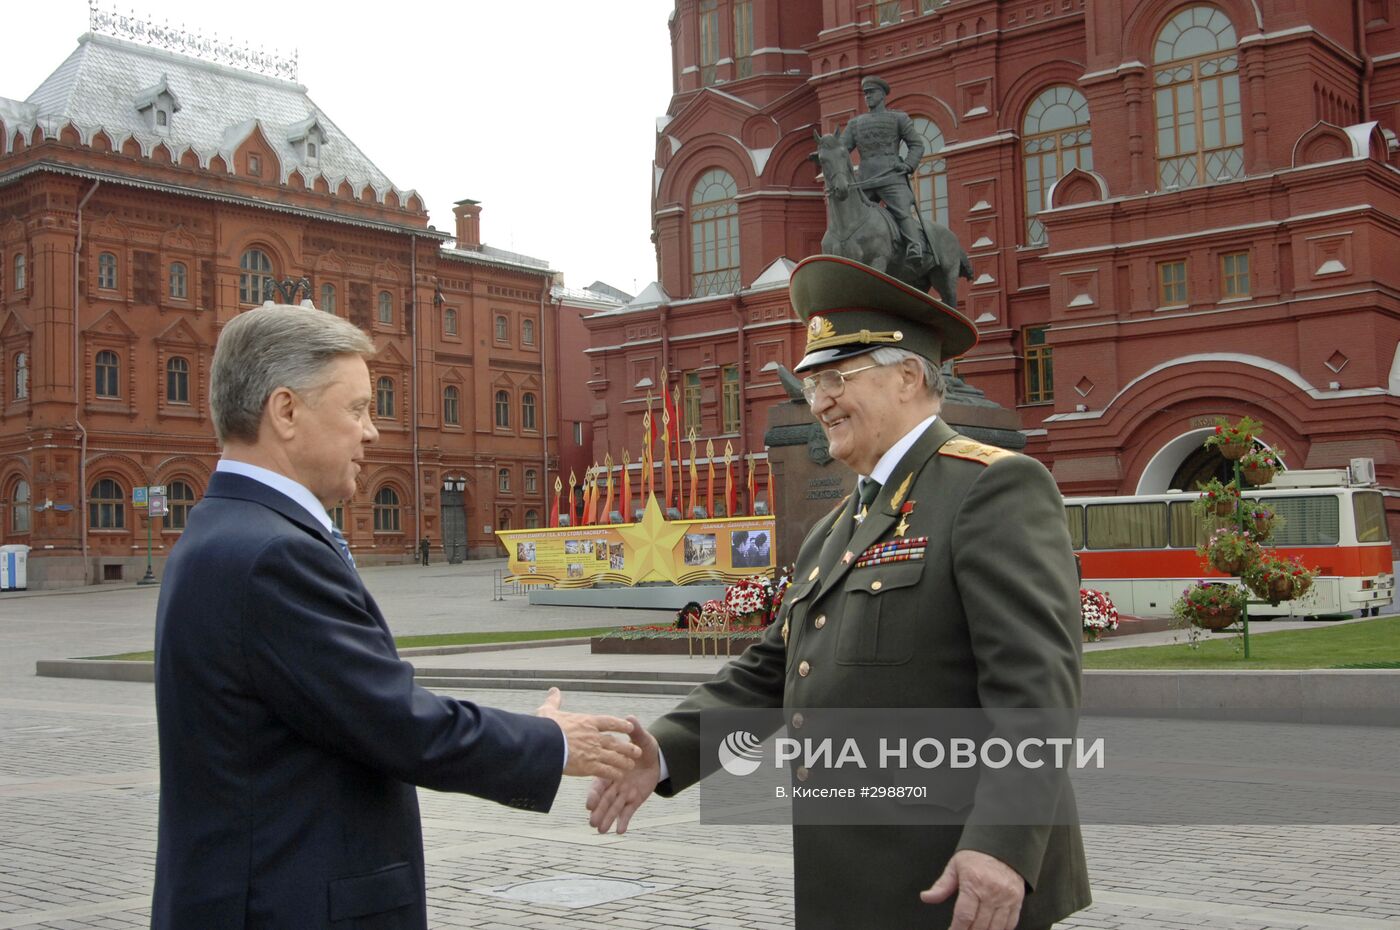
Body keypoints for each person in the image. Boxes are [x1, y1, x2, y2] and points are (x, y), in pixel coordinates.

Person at [588, 255, 1089, 929]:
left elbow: (1036, 688)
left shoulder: (991, 488)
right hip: (856, 878)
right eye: (812, 381)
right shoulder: (837, 527)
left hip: (954, 874)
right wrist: (662, 750)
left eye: (836, 378)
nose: (818, 400)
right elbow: (771, 672)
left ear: (909, 376)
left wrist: (1001, 843)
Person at [152, 304, 639, 929]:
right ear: (286, 411)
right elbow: (392, 721)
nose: (373, 432)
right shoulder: (273, 551)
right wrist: (548, 742)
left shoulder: (229, 529)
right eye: (356, 408)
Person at [841, 75, 926, 261]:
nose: (867, 96)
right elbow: (841, 150)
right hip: (864, 181)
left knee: (902, 211)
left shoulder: (898, 118)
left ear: (882, 95)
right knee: (848, 214)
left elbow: (917, 145)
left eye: (871, 92)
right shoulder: (855, 123)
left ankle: (914, 246)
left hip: (891, 177)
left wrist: (908, 164)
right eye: (865, 93)